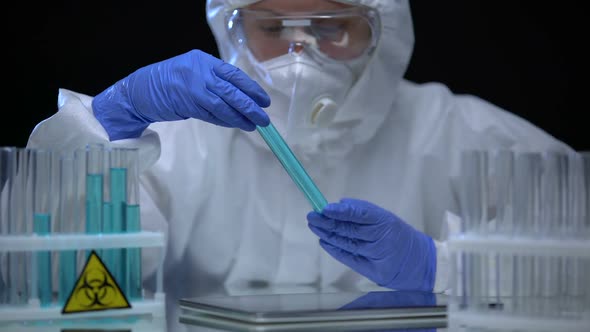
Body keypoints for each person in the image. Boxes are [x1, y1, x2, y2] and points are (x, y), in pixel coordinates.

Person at [27, 0, 572, 306]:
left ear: (383, 30)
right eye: (269, 27)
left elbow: (577, 258)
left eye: (332, 26)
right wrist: (107, 123)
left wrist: (446, 266)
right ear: (230, 25)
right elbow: (52, 281)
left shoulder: (455, 130)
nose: (299, 53)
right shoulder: (176, 139)